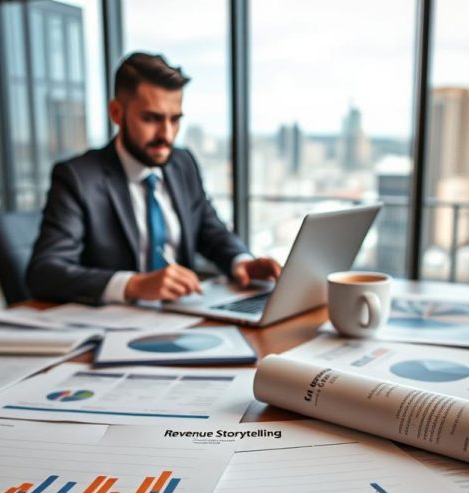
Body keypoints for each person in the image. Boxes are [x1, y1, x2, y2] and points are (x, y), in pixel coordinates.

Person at [26, 52, 280, 305]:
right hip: (112, 326)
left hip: (183, 316)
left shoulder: (182, 163)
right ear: (116, 113)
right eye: (151, 118)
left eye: (175, 119)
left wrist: (242, 261)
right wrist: (134, 285)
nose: (166, 135)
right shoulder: (78, 177)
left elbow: (209, 230)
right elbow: (45, 272)